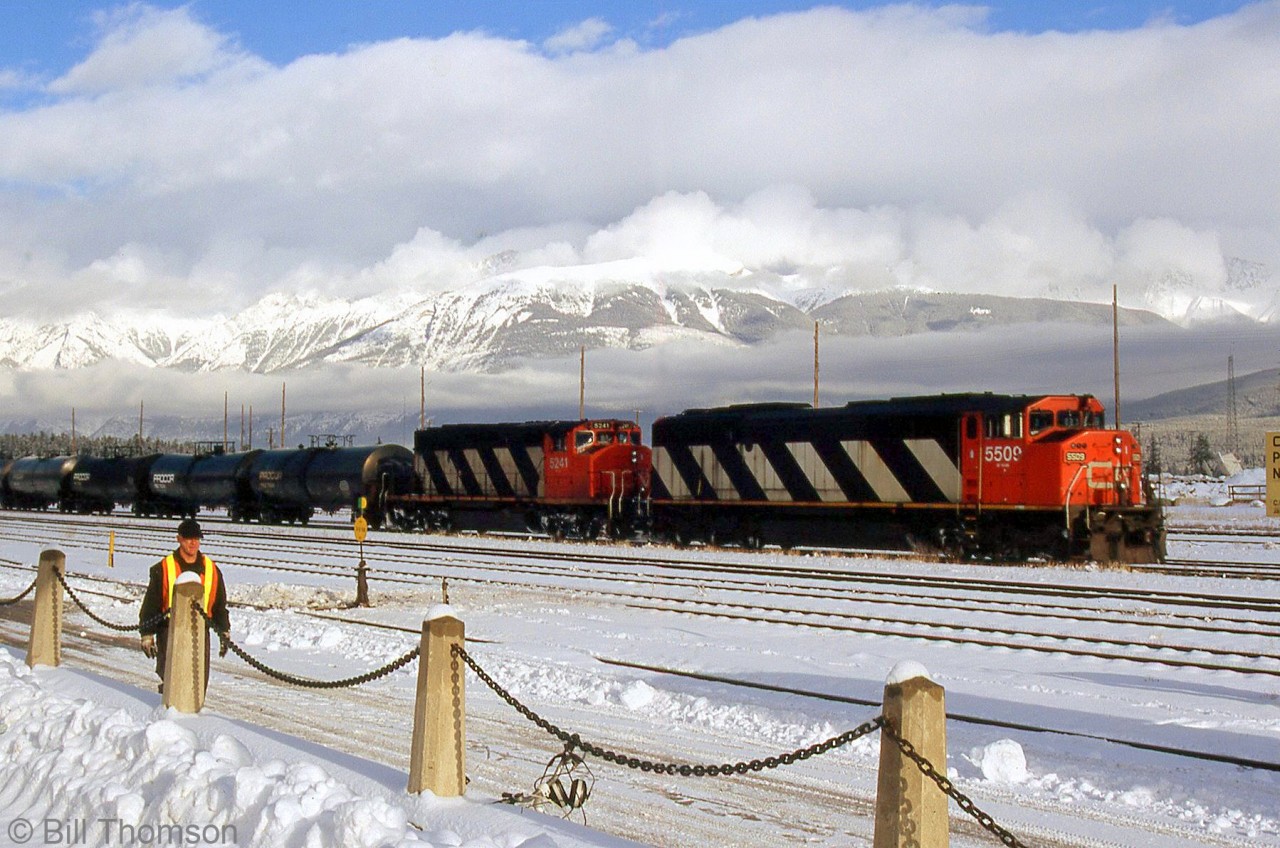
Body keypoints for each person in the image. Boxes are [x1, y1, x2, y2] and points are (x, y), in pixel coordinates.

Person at [139, 518, 230, 692]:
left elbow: (219, 605)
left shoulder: (212, 570)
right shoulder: (163, 568)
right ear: (179, 539)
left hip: (200, 632)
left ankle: (193, 718)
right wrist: (147, 634)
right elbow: (151, 604)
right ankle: (167, 713)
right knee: (173, 682)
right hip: (169, 630)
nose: (193, 543)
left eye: (196, 539)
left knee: (197, 683)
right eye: (188, 539)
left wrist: (224, 631)